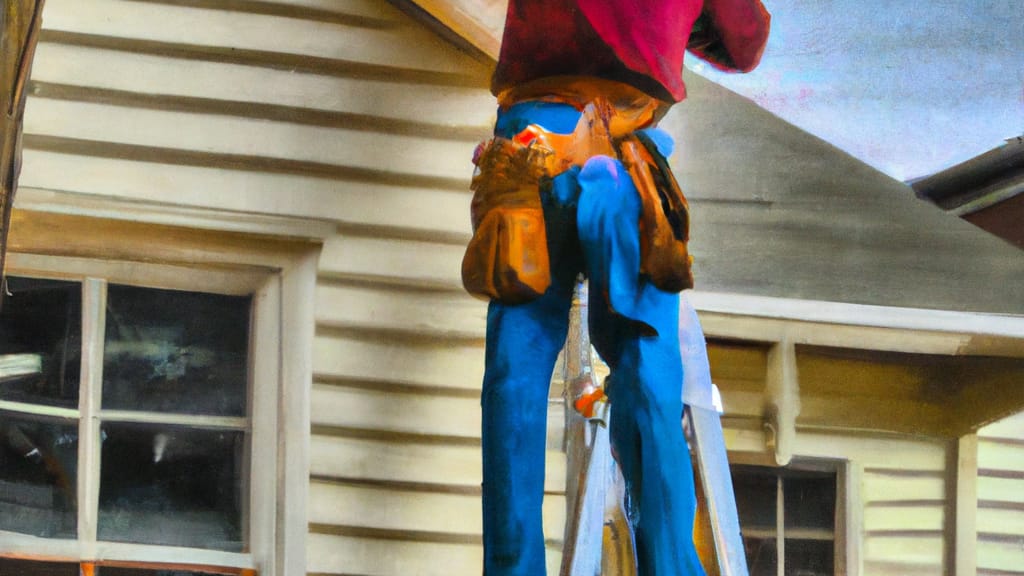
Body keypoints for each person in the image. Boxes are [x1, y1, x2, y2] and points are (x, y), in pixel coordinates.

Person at [462, 1, 770, 574]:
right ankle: (670, 565)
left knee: (517, 373)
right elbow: (743, 41)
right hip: (625, 145)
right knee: (645, 361)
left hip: (534, 142)